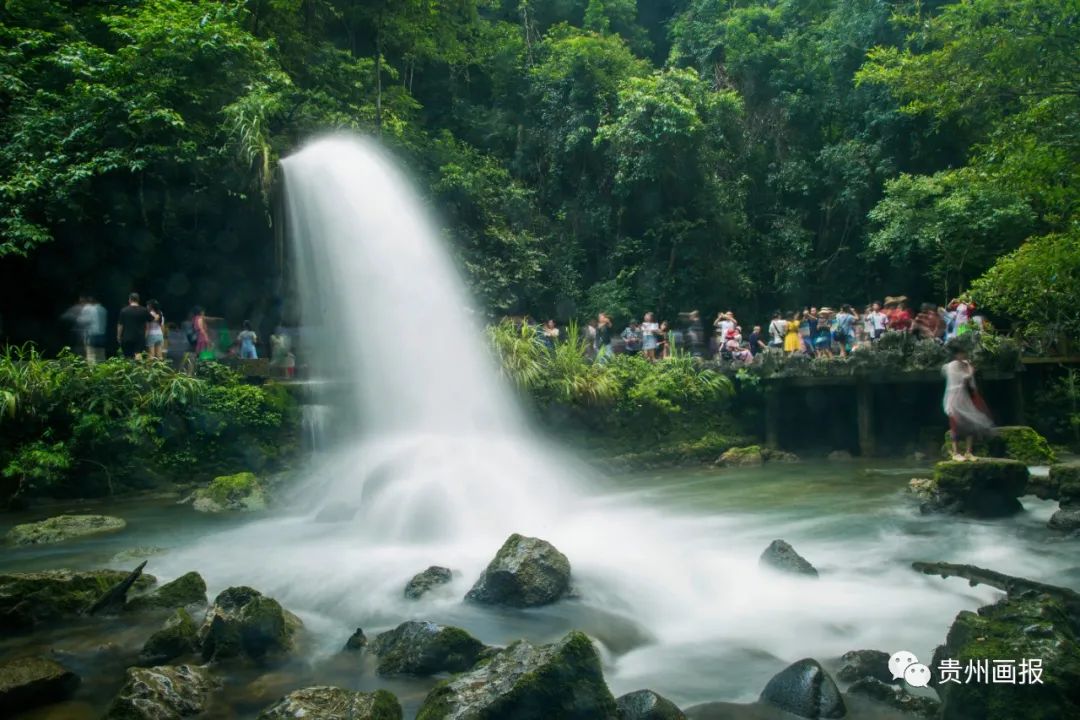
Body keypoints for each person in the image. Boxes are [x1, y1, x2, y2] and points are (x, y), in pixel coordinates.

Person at [942, 344, 994, 460]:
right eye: (961, 353)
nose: (963, 355)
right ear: (956, 355)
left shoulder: (966, 364)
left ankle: (968, 452)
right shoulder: (951, 366)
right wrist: (970, 371)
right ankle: (955, 453)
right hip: (954, 398)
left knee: (970, 425)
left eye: (964, 353)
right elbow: (962, 379)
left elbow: (971, 384)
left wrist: (969, 370)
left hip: (965, 398)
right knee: (955, 425)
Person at [117, 293, 150, 359]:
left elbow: (120, 325)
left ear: (130, 300)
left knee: (128, 356)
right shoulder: (144, 310)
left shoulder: (124, 310)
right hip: (140, 336)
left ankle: (129, 368)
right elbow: (147, 325)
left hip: (127, 336)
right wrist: (145, 335)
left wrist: (118, 336)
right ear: (138, 300)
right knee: (138, 354)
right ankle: (138, 368)